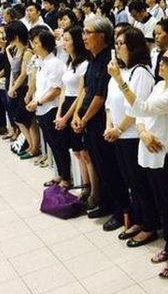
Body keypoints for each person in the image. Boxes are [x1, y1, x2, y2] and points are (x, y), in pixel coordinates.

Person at [107, 45, 168, 278]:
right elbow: (140, 115)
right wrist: (143, 132)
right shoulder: (158, 86)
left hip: (165, 155)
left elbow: (141, 107)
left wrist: (119, 80)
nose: (161, 63)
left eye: (166, 60)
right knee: (161, 204)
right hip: (148, 150)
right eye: (162, 59)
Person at [105, 27, 158, 246]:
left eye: (121, 44)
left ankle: (150, 225)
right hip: (119, 135)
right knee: (130, 182)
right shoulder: (123, 71)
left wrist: (119, 129)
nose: (117, 48)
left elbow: (137, 108)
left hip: (134, 136)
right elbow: (111, 103)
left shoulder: (141, 73)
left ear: (133, 46)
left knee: (140, 182)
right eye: (115, 44)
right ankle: (138, 219)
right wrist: (110, 126)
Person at [73, 16, 125, 232]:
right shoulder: (91, 59)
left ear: (102, 36)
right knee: (99, 166)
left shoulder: (108, 61)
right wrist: (77, 114)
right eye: (83, 33)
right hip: (88, 123)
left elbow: (101, 96)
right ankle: (105, 202)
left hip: (102, 123)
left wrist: (84, 119)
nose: (83, 37)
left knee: (111, 168)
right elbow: (85, 90)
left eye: (88, 33)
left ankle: (120, 212)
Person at [54, 25, 98, 201]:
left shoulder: (84, 64)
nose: (63, 43)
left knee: (85, 153)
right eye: (63, 39)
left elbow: (82, 93)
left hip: (77, 108)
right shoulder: (69, 63)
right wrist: (59, 113)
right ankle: (84, 185)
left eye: (67, 39)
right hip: (66, 106)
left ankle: (94, 190)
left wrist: (68, 116)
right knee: (77, 152)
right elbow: (64, 90)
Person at [25, 28, 68, 185]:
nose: (33, 46)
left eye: (36, 43)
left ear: (45, 44)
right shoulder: (41, 62)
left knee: (59, 144)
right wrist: (34, 99)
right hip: (41, 108)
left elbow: (56, 90)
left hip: (52, 109)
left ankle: (66, 177)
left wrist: (38, 102)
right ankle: (60, 174)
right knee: (52, 144)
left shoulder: (55, 64)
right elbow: (40, 86)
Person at [5, 21, 38, 159]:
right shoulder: (17, 49)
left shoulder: (27, 52)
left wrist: (13, 87)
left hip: (24, 89)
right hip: (18, 89)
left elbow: (24, 74)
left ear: (16, 36)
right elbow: (14, 67)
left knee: (24, 120)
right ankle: (32, 146)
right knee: (24, 120)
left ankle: (33, 147)